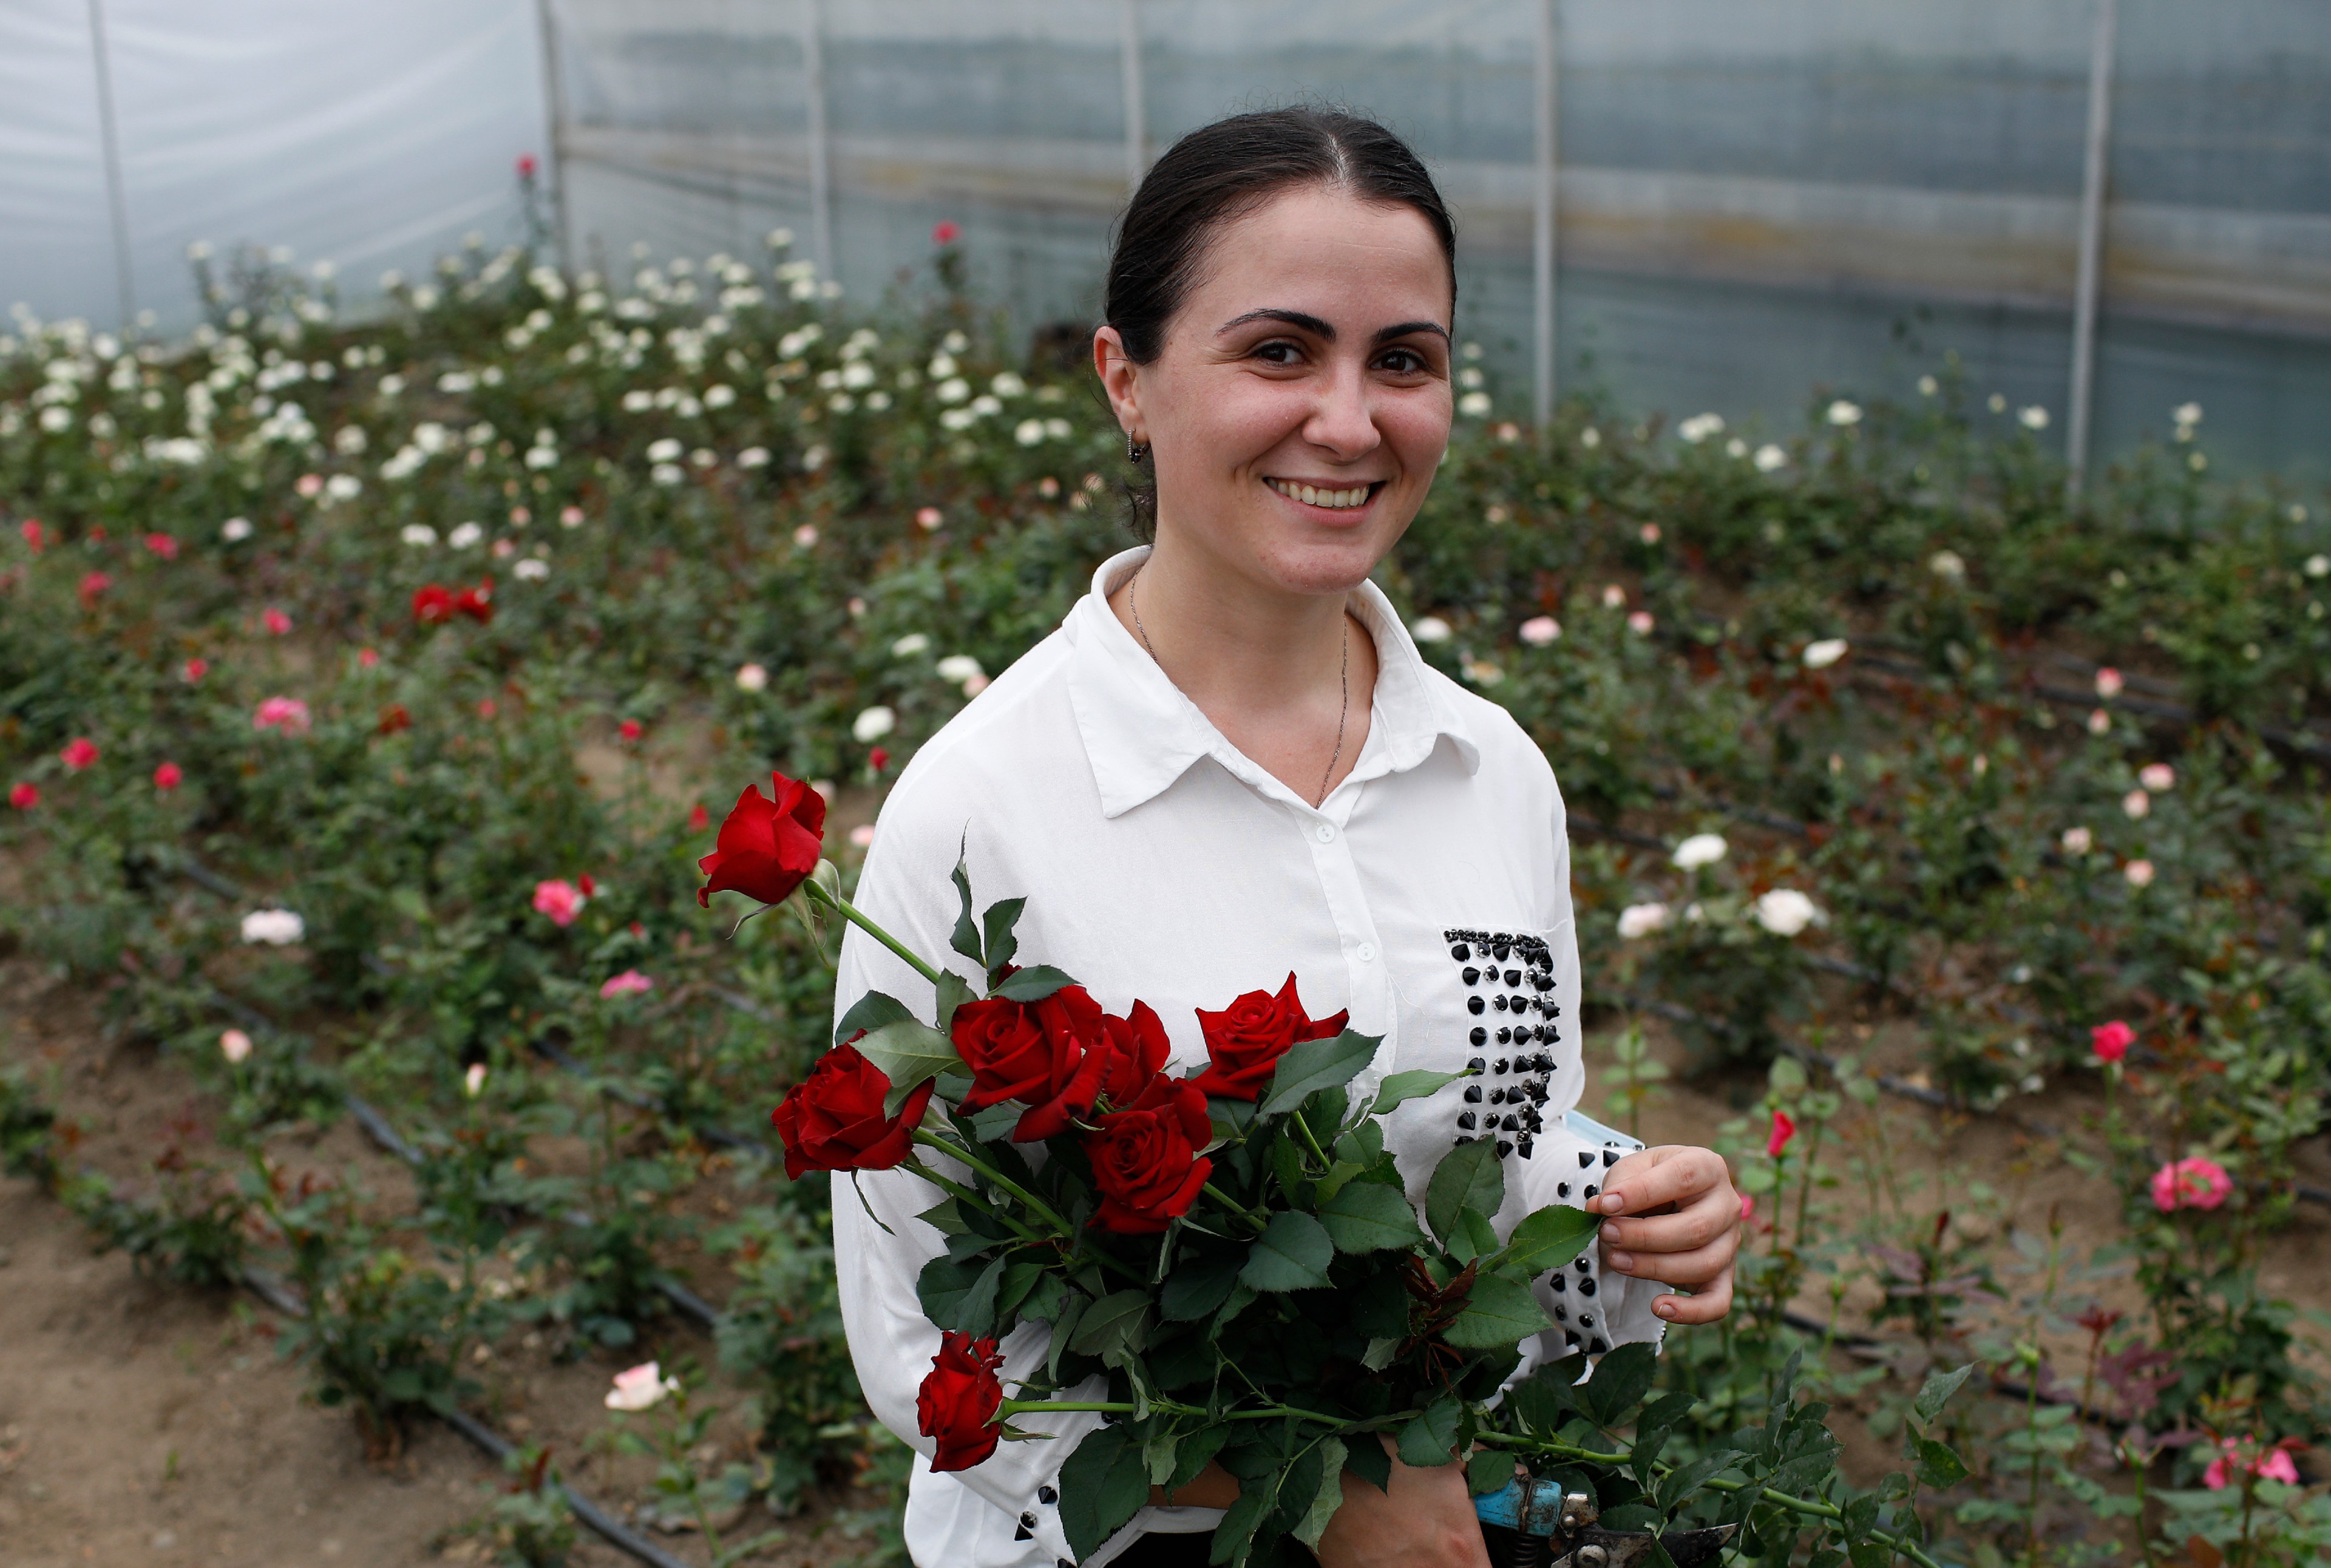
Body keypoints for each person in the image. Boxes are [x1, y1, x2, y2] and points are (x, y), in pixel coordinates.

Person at [831, 106, 1742, 1568]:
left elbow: (1500, 1140)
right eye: (1278, 350)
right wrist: (1313, 1498)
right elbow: (923, 1342)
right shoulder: (983, 815)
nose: (1349, 418)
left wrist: (1627, 1203)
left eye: (1405, 359)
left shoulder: (1489, 772)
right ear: (1127, 379)